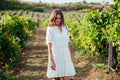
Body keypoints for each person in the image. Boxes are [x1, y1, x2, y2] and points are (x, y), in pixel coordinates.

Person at [46, 9, 76, 80]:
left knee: (67, 77)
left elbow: (68, 43)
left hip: (65, 55)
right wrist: (52, 60)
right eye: (56, 18)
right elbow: (49, 46)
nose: (58, 20)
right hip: (56, 56)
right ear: (53, 18)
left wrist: (70, 56)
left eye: (60, 18)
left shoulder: (65, 28)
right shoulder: (50, 29)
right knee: (57, 78)